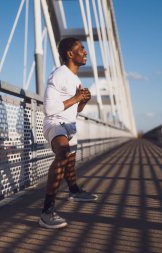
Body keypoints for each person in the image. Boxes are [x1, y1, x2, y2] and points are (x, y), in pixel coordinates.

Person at [39, 37, 98, 229]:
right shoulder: (58, 74)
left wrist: (82, 102)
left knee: (70, 161)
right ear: (70, 54)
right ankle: (47, 212)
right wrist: (76, 97)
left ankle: (74, 191)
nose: (85, 52)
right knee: (63, 153)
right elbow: (49, 109)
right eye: (81, 48)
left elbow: (75, 110)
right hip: (54, 123)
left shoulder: (76, 78)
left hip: (70, 124)